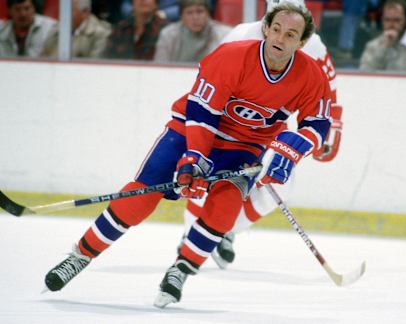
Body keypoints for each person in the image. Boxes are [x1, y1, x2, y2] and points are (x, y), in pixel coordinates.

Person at [43, 3, 332, 308]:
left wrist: (288, 154)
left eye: (291, 34)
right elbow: (202, 113)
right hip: (190, 131)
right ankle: (80, 255)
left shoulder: (311, 76)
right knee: (141, 194)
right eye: (276, 29)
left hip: (244, 146)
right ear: (265, 29)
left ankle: (181, 269)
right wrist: (194, 158)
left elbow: (317, 123)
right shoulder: (232, 56)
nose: (281, 38)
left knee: (226, 207)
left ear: (301, 43)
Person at [181, 0, 344, 269]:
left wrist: (333, 128)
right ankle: (190, 234)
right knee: (206, 177)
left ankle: (226, 229)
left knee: (281, 185)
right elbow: (210, 78)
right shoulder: (243, 34)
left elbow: (328, 88)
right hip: (228, 124)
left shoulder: (311, 42)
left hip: (272, 127)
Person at [359, 0, 406, 72]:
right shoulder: (372, 46)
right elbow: (365, 75)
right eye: (387, 20)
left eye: (397, 20)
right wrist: (384, 49)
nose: (391, 25)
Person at [154, 0, 231, 63]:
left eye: (200, 11)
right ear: (181, 16)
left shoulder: (225, 34)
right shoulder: (168, 34)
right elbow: (160, 66)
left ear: (208, 13)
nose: (195, 17)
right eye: (189, 13)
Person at [41, 0, 111, 59]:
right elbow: (41, 57)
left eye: (69, 10)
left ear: (85, 12)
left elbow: (94, 66)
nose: (63, 14)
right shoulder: (57, 29)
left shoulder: (101, 33)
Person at [103, 0, 169, 61]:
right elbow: (107, 58)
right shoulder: (121, 28)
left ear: (156, 4)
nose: (143, 0)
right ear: (132, 3)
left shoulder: (165, 31)